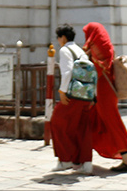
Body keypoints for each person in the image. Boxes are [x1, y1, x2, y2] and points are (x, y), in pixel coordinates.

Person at [84, 21, 127, 172]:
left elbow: (97, 70)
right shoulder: (105, 48)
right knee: (98, 121)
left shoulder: (98, 52)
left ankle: (126, 159)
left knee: (112, 123)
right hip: (105, 92)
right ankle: (83, 155)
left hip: (105, 92)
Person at [51, 25, 94, 174]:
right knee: (82, 128)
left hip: (72, 94)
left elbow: (68, 71)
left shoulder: (65, 50)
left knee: (57, 122)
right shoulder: (80, 51)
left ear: (62, 37)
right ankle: (86, 163)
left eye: (58, 38)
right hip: (86, 95)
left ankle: (65, 159)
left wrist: (62, 91)